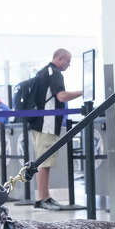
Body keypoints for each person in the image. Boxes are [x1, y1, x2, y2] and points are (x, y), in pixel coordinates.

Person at [28, 49, 82, 210]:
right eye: (68, 61)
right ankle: (43, 198)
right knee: (45, 162)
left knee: (43, 161)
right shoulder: (55, 73)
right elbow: (62, 96)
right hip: (47, 123)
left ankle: (44, 196)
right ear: (60, 58)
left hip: (38, 123)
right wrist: (83, 92)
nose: (69, 65)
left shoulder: (43, 72)